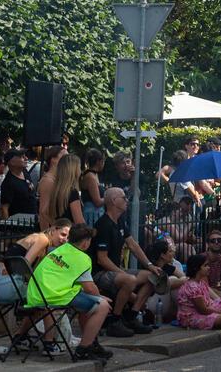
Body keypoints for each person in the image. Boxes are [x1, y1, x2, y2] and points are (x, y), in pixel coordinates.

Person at [25, 223, 113, 364]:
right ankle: (84, 349)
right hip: (54, 296)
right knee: (102, 306)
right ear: (85, 242)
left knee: (88, 306)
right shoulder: (82, 258)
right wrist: (101, 297)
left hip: (36, 295)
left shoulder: (58, 250)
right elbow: (90, 288)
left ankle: (91, 343)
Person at [93, 187, 161, 335]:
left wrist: (150, 266)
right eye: (124, 198)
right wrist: (121, 273)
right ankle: (115, 321)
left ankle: (131, 316)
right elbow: (102, 259)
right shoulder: (103, 225)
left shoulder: (120, 221)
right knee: (129, 280)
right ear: (113, 201)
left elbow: (133, 245)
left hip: (115, 270)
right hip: (100, 273)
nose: (127, 201)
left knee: (152, 277)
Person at [0, 219, 71, 303]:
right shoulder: (43, 239)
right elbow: (25, 267)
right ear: (53, 230)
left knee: (43, 299)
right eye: (63, 234)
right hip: (7, 285)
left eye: (68, 237)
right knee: (52, 296)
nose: (65, 240)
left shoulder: (40, 239)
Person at [1, 149, 38, 222]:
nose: (26, 158)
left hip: (33, 221)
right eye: (21, 157)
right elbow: (4, 208)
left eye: (25, 156)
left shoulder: (25, 172)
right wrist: (8, 228)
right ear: (12, 162)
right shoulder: (8, 183)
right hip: (20, 224)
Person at [81, 148, 107, 227]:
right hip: (92, 215)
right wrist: (110, 196)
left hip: (98, 213)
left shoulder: (95, 175)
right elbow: (97, 202)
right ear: (99, 161)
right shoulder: (90, 177)